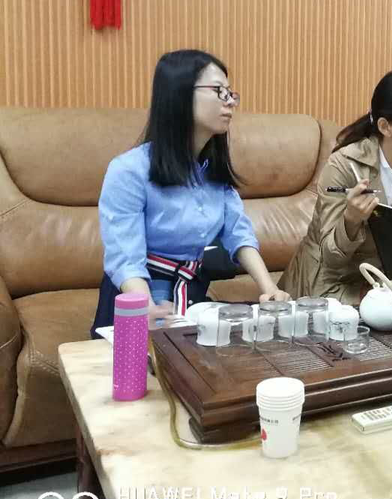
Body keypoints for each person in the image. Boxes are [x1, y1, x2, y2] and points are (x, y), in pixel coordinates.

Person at [91, 50, 289, 337]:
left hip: (191, 292)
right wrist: (144, 307)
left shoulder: (213, 171)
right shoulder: (129, 170)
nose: (230, 101)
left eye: (230, 93)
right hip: (137, 295)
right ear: (180, 94)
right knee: (145, 364)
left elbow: (239, 233)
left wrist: (269, 290)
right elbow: (125, 257)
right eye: (218, 91)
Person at [279, 70, 392, 303]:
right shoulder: (344, 165)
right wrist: (350, 221)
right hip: (331, 286)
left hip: (382, 286)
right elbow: (330, 259)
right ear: (386, 127)